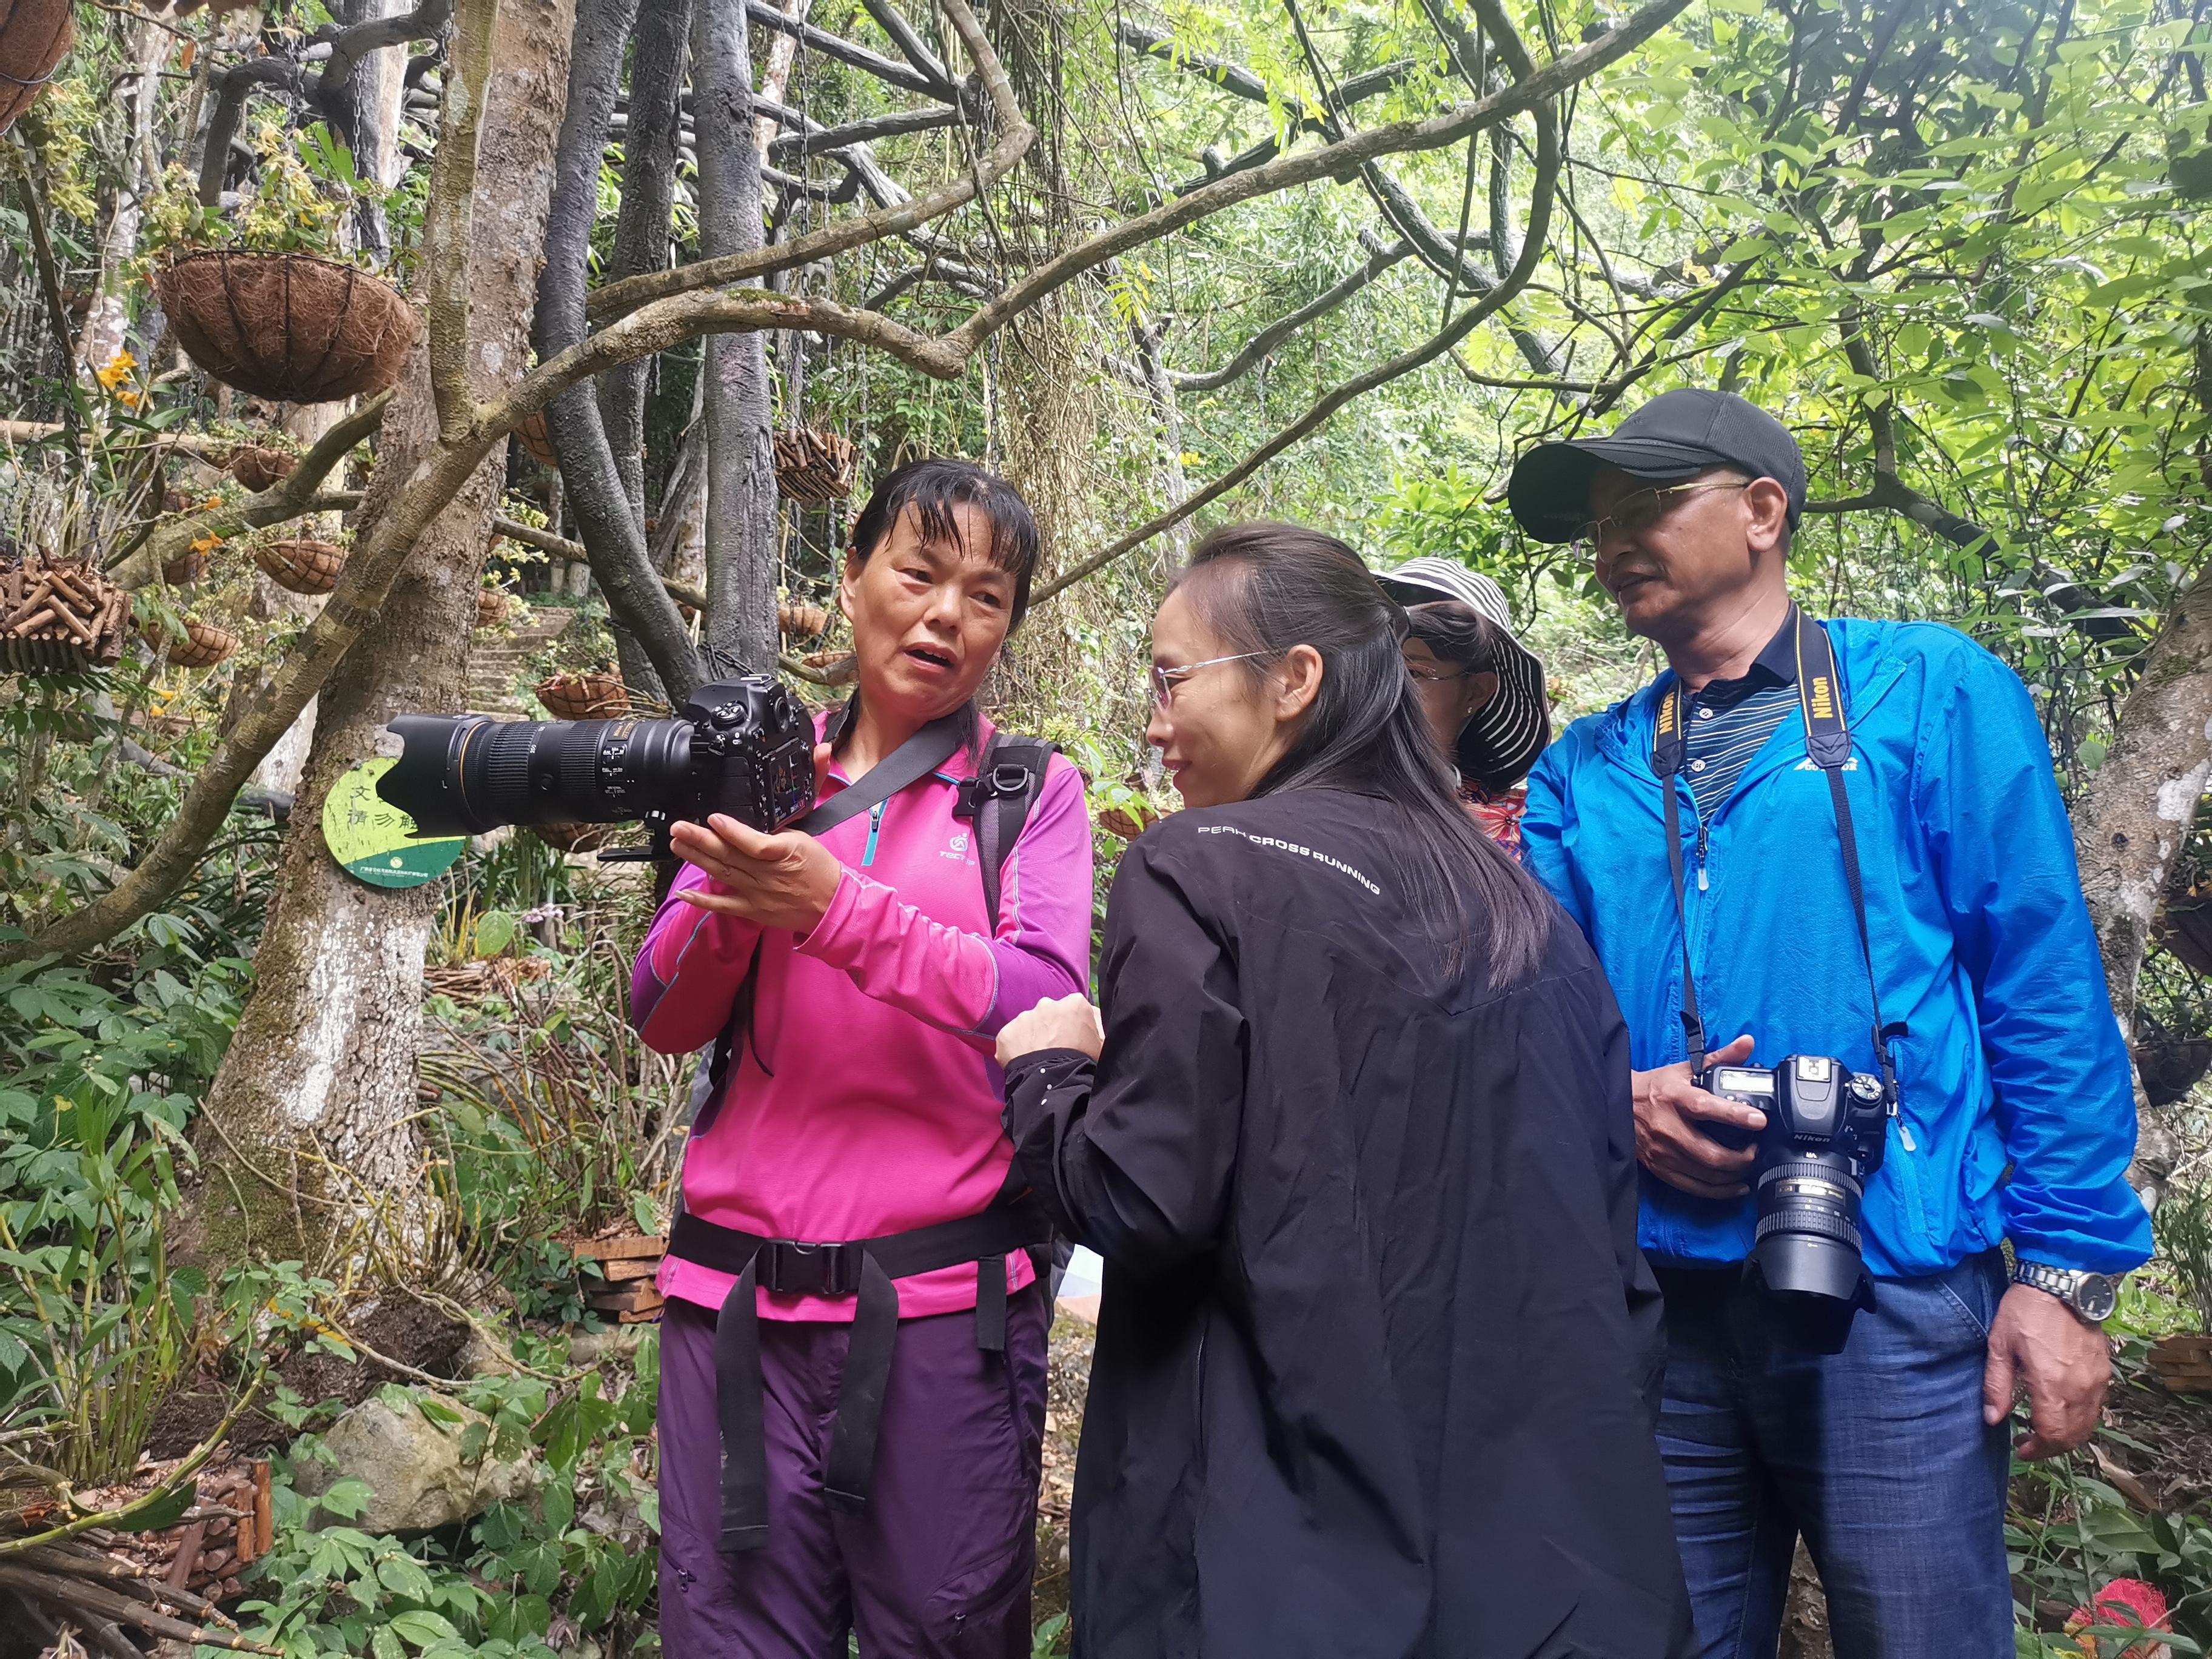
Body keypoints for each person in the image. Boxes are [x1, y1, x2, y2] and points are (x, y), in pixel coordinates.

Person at [1512, 388, 2153, 1657]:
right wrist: (1616, 1098)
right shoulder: (1583, 770)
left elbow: (2040, 983)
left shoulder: (1930, 693)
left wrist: (2065, 1277)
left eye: (1645, 505)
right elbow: (1528, 1016)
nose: (1610, 545)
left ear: (1763, 511)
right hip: (1664, 1302)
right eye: (1597, 525)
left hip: (1901, 1291)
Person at [995, 523, 1692, 1659]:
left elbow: (1139, 1200)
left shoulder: (1199, 865)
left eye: (1172, 677)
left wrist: (1051, 1069)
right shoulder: (1525, 920)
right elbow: (1607, 1263)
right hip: (1540, 1565)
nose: (1154, 718)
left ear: (1295, 680)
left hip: (1268, 1562)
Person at [630, 458, 1096, 1657]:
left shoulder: (1026, 794)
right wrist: (744, 896)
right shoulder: (764, 777)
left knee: (941, 1637)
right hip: (734, 1308)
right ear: (850, 580)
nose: (947, 614)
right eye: (919, 572)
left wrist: (836, 910)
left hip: (945, 1318)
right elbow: (662, 1011)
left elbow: (1041, 995)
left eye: (986, 596)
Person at [1372, 557, 1550, 855]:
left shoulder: (1518, 832)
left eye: (1414, 673)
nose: (1384, 691)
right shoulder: (1293, 780)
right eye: (1374, 666)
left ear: (1475, 693)